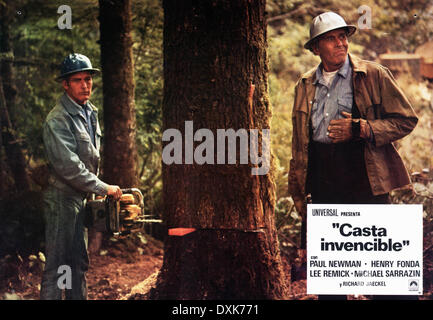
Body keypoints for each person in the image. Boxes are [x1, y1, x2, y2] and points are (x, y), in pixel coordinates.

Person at [288, 12, 418, 299]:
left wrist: (361, 128)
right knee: (332, 283)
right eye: (331, 39)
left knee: (387, 278)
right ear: (315, 48)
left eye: (343, 37)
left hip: (366, 184)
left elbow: (406, 120)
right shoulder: (304, 85)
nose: (340, 43)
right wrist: (298, 188)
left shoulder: (373, 75)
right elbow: (300, 145)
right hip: (324, 187)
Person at [40, 53, 122, 300]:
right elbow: (69, 167)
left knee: (78, 264)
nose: (85, 85)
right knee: (57, 266)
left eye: (88, 79)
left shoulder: (89, 112)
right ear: (65, 84)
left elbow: (90, 158)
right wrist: (102, 187)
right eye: (78, 80)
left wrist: (95, 189)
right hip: (61, 200)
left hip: (79, 199)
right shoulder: (57, 119)